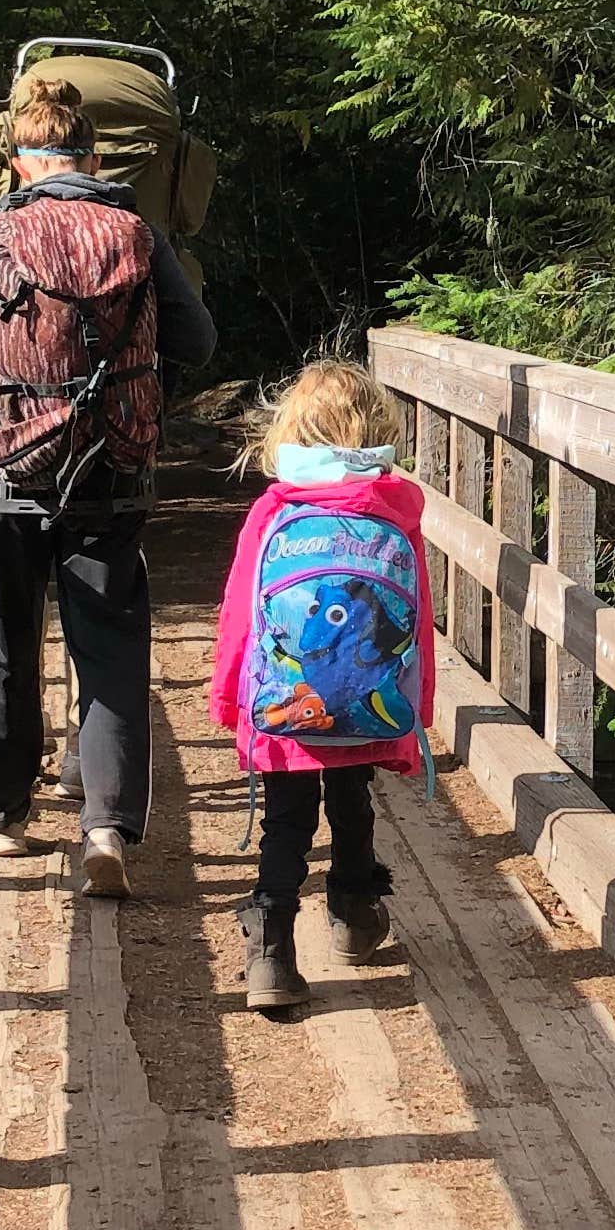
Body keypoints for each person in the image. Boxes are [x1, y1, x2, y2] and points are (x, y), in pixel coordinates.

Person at [0, 72, 216, 891]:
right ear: (92, 155)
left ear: (20, 162)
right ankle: (107, 833)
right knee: (112, 648)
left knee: (12, 641)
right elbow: (195, 343)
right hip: (115, 464)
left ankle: (5, 820)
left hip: (15, 472)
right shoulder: (137, 230)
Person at [210, 358, 436, 1015]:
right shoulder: (396, 509)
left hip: (285, 704)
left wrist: (231, 698)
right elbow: (414, 623)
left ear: (291, 433)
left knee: (286, 820)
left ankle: (272, 951)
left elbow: (240, 614)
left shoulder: (276, 509)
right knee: (351, 799)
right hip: (367, 703)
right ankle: (354, 915)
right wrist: (412, 715)